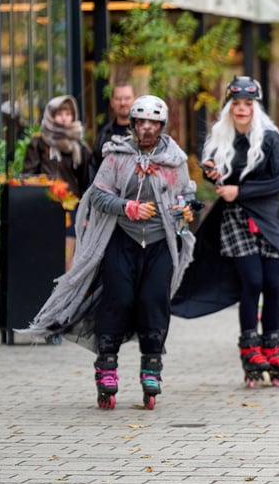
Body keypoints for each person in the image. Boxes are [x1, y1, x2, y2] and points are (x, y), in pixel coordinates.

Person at [17, 95, 196, 410]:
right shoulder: (117, 156)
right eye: (141, 122)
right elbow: (98, 194)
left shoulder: (175, 159)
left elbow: (185, 194)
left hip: (158, 243)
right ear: (133, 124)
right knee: (119, 298)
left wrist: (184, 209)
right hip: (121, 240)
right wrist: (126, 207)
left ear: (162, 125)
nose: (147, 129)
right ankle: (107, 365)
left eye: (153, 123)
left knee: (154, 300)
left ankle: (152, 366)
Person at [172, 77, 279, 387]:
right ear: (229, 106)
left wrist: (240, 191)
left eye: (247, 104)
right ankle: (250, 348)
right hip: (236, 218)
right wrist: (215, 177)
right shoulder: (219, 136)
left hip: (270, 218)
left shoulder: (269, 137)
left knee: (271, 283)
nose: (241, 109)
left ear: (255, 106)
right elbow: (220, 182)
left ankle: (272, 347)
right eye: (236, 104)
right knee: (251, 282)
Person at [23, 95, 92, 272]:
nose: (63, 117)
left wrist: (86, 213)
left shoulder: (79, 147)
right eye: (59, 113)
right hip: (44, 204)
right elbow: (28, 175)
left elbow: (86, 182)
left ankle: (66, 298)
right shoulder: (39, 143)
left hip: (71, 207)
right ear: (50, 115)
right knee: (44, 254)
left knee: (69, 257)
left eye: (68, 113)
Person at [90, 83, 135, 183]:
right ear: (111, 102)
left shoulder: (144, 133)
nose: (123, 103)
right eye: (118, 99)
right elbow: (94, 169)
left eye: (127, 98)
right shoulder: (103, 135)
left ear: (135, 99)